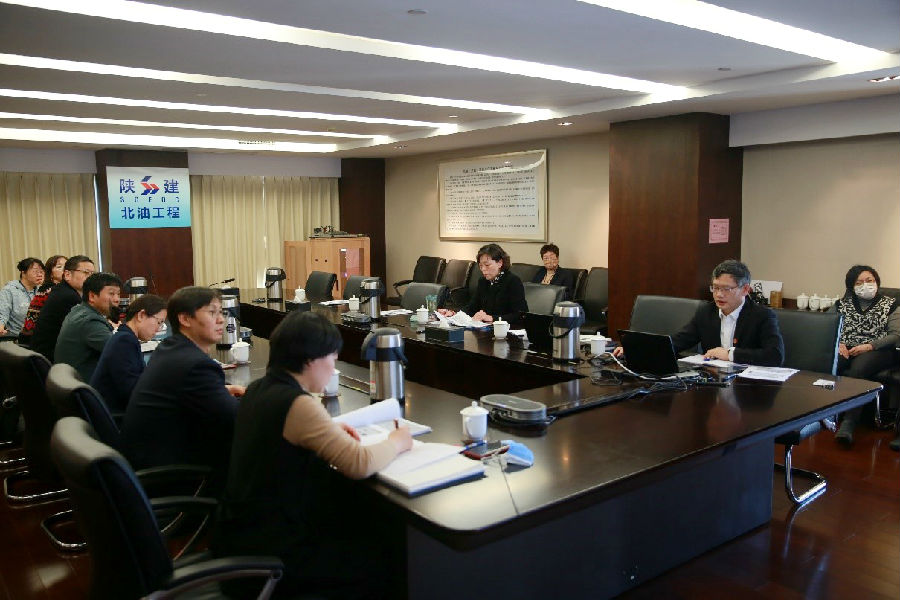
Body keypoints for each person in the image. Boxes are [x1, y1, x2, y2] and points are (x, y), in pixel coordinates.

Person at [213, 310, 413, 599]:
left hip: (241, 536)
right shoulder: (298, 403)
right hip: (277, 551)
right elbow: (360, 463)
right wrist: (397, 441)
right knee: (386, 554)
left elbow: (281, 437)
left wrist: (327, 430)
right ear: (310, 359)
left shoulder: (258, 389)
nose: (333, 367)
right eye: (332, 358)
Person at [121, 287, 244, 490]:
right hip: (173, 477)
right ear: (185, 319)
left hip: (146, 463)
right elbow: (236, 419)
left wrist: (221, 392)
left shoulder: (169, 348)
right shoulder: (196, 365)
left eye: (221, 312)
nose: (221, 319)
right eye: (212, 312)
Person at [613, 259, 784, 366]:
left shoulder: (762, 316)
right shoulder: (707, 312)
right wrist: (636, 349)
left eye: (726, 289)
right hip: (714, 382)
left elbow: (775, 355)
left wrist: (730, 354)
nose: (719, 295)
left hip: (749, 389)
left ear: (745, 289)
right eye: (715, 288)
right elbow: (677, 341)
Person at [830, 265, 899, 445]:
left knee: (858, 370)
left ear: (877, 282)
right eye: (859, 282)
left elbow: (896, 335)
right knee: (829, 363)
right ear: (851, 286)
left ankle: (849, 422)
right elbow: (826, 326)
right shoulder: (841, 304)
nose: (865, 285)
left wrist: (869, 346)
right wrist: (838, 342)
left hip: (879, 350)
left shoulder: (891, 304)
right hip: (846, 348)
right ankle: (822, 414)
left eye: (870, 281)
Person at [90, 294, 167, 413]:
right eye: (159, 322)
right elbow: (132, 392)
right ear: (141, 315)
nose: (158, 329)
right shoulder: (124, 341)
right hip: (115, 415)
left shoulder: (125, 337)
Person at [54, 273, 122, 382]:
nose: (117, 299)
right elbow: (122, 351)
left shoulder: (79, 310)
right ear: (92, 296)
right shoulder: (90, 322)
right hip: (86, 386)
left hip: (69, 382)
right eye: (111, 293)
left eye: (118, 294)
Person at [438, 243, 528, 324]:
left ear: (500, 263)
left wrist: (492, 318)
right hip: (484, 328)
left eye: (487, 265)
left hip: (505, 330)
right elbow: (471, 308)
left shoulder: (513, 281)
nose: (483, 269)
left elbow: (520, 315)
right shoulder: (483, 282)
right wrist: (454, 313)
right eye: (481, 266)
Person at [30, 255, 95, 361]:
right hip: (52, 359)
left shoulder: (63, 290)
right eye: (86, 273)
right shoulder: (68, 296)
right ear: (67, 275)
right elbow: (89, 330)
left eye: (92, 274)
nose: (91, 278)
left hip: (50, 354)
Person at [19, 255, 66, 345]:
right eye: (59, 267)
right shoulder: (49, 290)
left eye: (67, 266)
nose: (64, 269)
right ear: (50, 273)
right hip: (38, 342)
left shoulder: (61, 289)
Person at [0, 257, 44, 338]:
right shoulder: (9, 290)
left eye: (41, 271)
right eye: (35, 271)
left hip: (39, 337)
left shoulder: (42, 290)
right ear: (23, 272)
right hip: (15, 338)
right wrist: (1, 327)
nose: (39, 274)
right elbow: (2, 314)